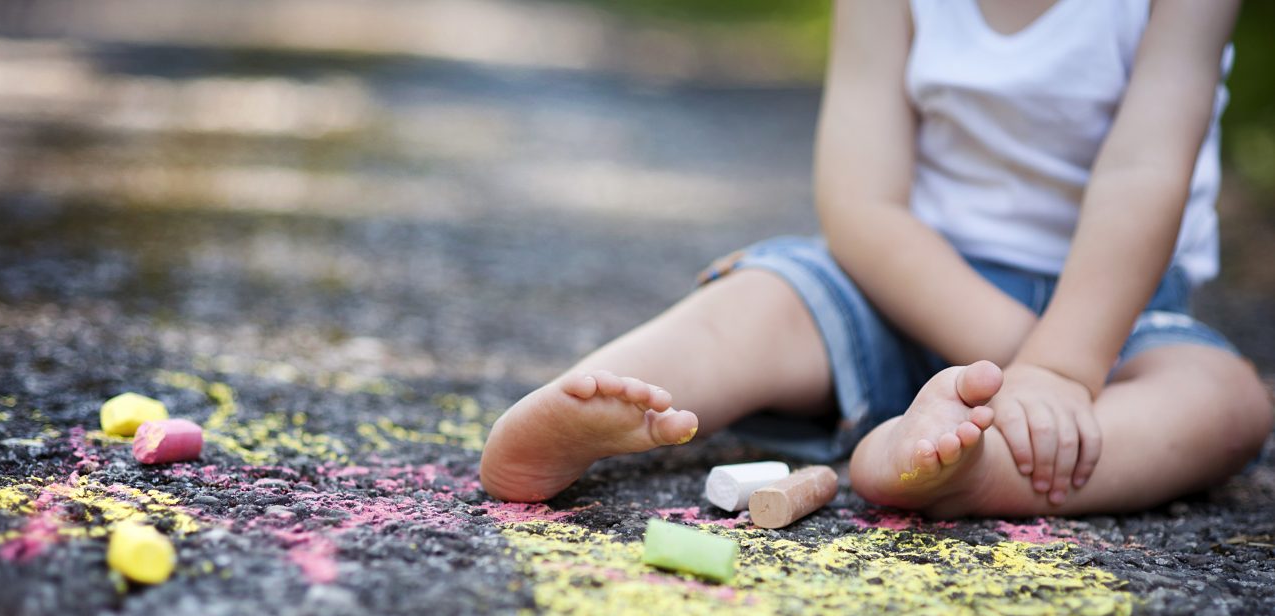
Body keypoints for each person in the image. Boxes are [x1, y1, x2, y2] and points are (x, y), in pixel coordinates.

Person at [478, 0, 1272, 518]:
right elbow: (863, 206)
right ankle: (602, 403)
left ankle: (957, 467)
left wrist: (1060, 366)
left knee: (1221, 399)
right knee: (762, 301)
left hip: (1110, 322)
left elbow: (1144, 173)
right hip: (902, 283)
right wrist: (1019, 358)